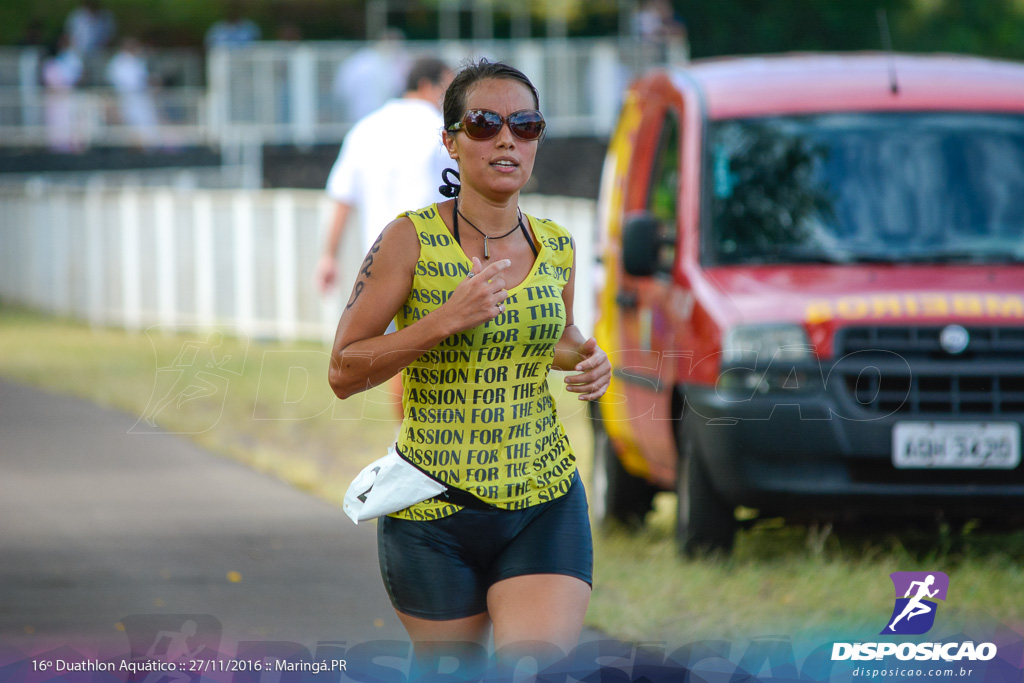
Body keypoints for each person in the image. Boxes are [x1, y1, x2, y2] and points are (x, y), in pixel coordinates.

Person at [327, 59, 611, 672]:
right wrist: (442, 320)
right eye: (484, 124)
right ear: (451, 140)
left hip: (543, 497)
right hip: (433, 511)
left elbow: (548, 341)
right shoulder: (408, 239)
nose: (506, 139)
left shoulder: (554, 244)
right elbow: (343, 371)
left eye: (525, 124)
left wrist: (589, 361)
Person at [315, 55, 452, 296]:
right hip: (433, 265)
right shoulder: (442, 132)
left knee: (382, 334)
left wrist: (329, 257)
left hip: (376, 265)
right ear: (426, 86)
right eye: (449, 90)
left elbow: (342, 198)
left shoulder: (364, 128)